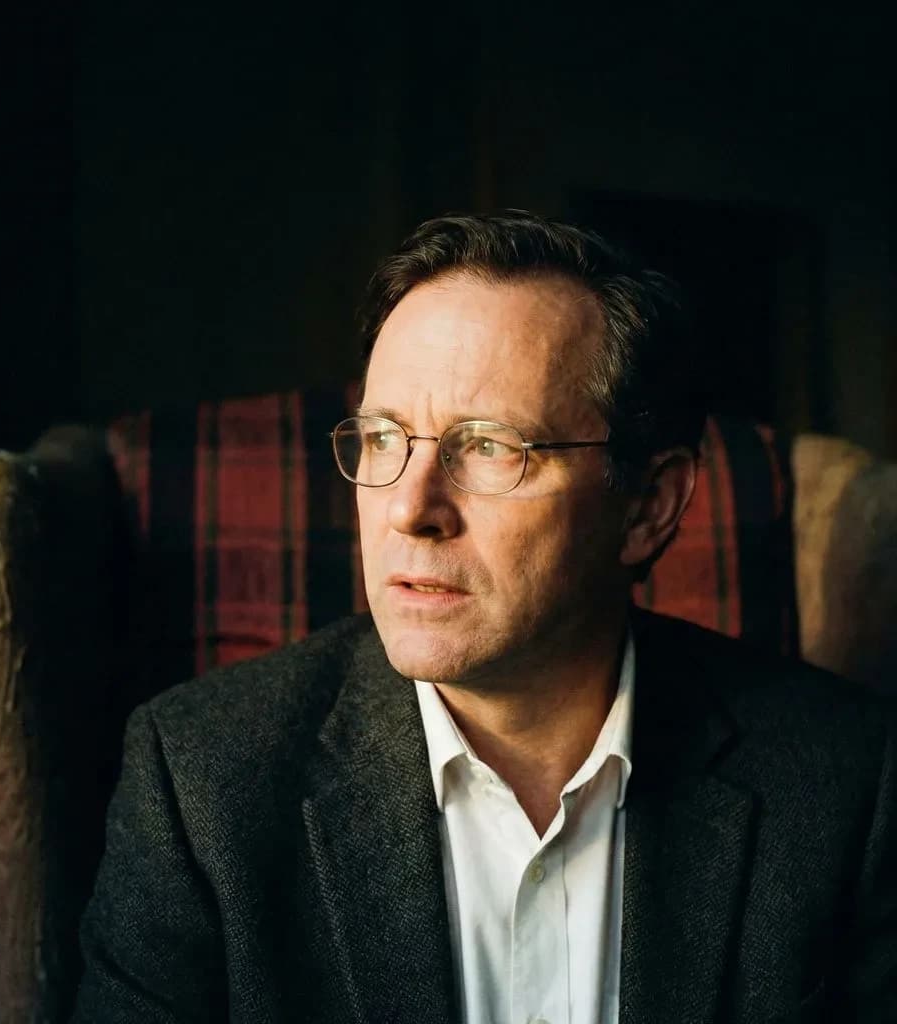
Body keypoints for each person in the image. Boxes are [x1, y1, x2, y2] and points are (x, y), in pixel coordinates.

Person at [73, 212, 896, 1023]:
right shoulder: (200, 783)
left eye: (492, 446)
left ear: (648, 506)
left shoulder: (848, 786)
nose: (409, 510)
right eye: (384, 437)